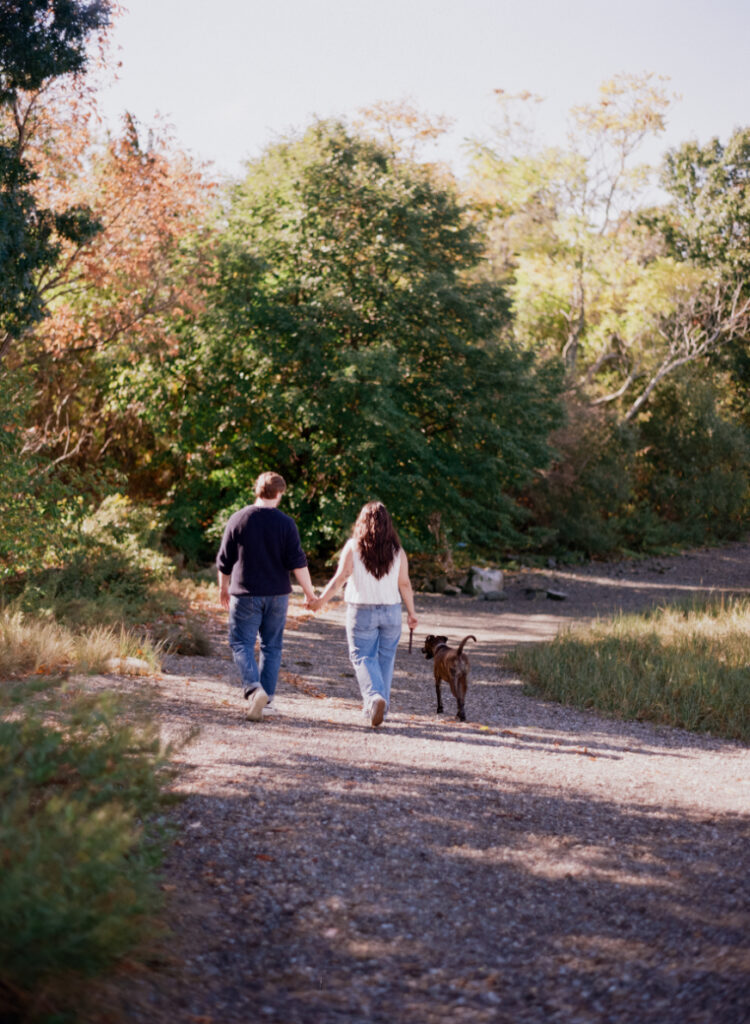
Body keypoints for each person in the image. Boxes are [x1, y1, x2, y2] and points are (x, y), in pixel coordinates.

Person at [307, 501, 418, 727]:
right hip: (391, 612)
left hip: (362, 611)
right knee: (385, 660)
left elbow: (340, 578)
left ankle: (374, 698)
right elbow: (404, 584)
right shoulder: (397, 551)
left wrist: (320, 602)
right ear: (388, 524)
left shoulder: (354, 546)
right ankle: (380, 710)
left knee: (362, 657)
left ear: (362, 522)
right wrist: (412, 613)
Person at [216, 472, 316, 721]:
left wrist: (223, 587)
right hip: (278, 596)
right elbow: (298, 562)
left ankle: (254, 687)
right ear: (280, 493)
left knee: (241, 643)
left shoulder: (238, 518)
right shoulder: (286, 524)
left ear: (256, 490)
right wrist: (309, 592)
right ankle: (268, 700)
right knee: (272, 647)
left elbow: (224, 561)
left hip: (245, 594)